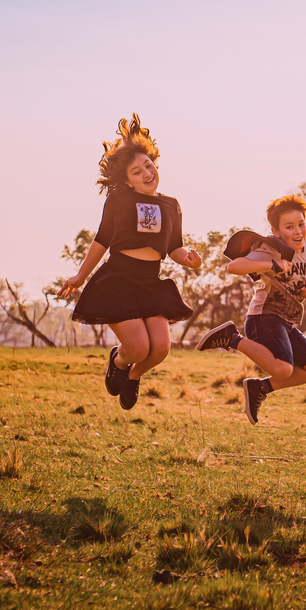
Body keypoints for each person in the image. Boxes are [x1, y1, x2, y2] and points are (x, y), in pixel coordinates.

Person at [58, 114, 201, 410]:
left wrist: (188, 260)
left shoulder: (171, 205)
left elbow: (174, 247)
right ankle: (119, 360)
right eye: (137, 171)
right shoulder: (118, 201)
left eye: (148, 165)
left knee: (160, 349)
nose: (146, 173)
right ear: (127, 180)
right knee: (138, 347)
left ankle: (133, 376)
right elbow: (101, 240)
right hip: (118, 280)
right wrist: (80, 276)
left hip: (151, 281)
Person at [197, 195, 306, 424]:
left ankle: (259, 387)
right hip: (263, 318)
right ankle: (230, 338)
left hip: (286, 322)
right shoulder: (270, 249)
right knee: (283, 369)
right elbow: (235, 266)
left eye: (301, 224)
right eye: (289, 227)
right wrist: (272, 264)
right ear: (276, 231)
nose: (298, 231)